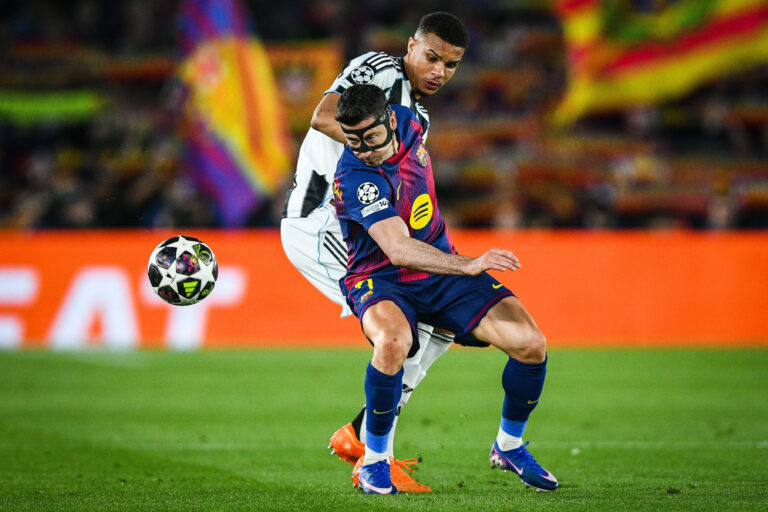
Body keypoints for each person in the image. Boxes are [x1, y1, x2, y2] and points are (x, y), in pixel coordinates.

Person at [333, 84, 559, 494]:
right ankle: (375, 461)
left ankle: (508, 446)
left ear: (390, 119)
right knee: (392, 341)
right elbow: (398, 250)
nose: (364, 150)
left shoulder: (409, 121)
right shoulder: (356, 178)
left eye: (371, 137)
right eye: (353, 141)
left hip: (439, 269)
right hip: (380, 277)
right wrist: (468, 264)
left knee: (531, 344)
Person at [280, 12, 469, 492]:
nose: (438, 71)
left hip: (365, 230)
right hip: (322, 222)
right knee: (404, 329)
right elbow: (323, 115)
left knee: (442, 323)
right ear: (411, 47)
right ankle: (370, 453)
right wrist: (377, 149)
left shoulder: (419, 120)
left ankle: (363, 433)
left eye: (450, 65)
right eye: (432, 57)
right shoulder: (380, 71)